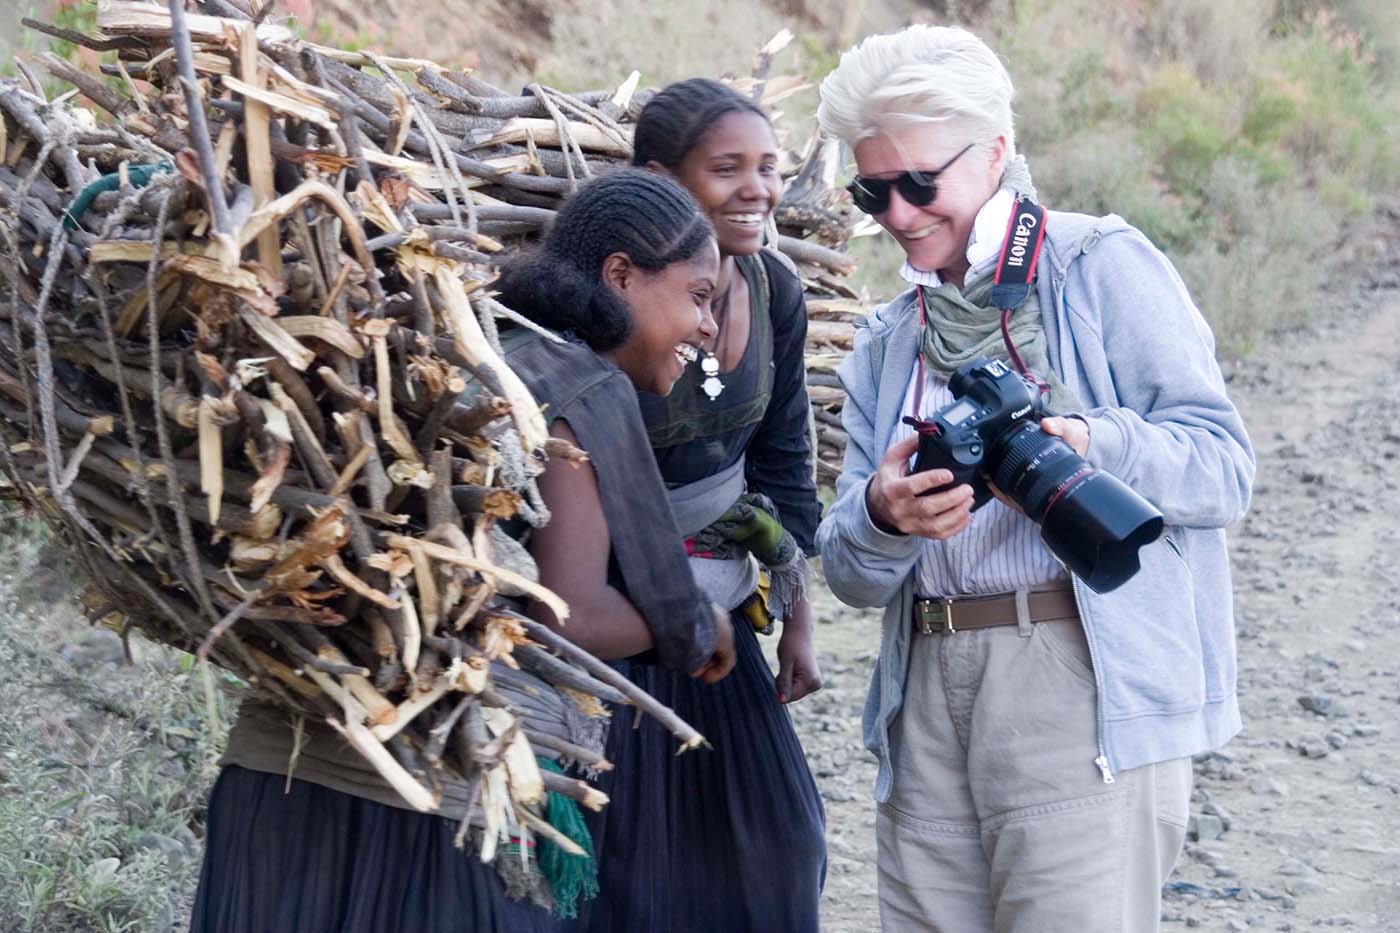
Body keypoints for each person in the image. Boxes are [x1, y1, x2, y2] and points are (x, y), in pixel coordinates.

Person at [192, 168, 733, 932]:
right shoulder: (579, 387)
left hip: (281, 776)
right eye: (700, 295)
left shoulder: (465, 346)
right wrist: (705, 625)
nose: (709, 325)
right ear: (620, 276)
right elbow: (568, 613)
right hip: (430, 807)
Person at [814, 25, 1255, 932]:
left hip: (1074, 676)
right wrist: (881, 514)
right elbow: (851, 574)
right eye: (873, 190)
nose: (897, 214)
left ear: (999, 151)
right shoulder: (887, 339)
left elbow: (1222, 466)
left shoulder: (1099, 265)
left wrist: (1089, 442)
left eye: (920, 182)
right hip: (923, 689)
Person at [573, 79, 829, 933]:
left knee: (775, 847)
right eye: (728, 169)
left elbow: (786, 469)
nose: (757, 188)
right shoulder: (604, 305)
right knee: (628, 872)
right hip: (611, 616)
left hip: (722, 620)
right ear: (660, 179)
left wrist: (793, 616)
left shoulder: (774, 291)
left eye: (769, 166)